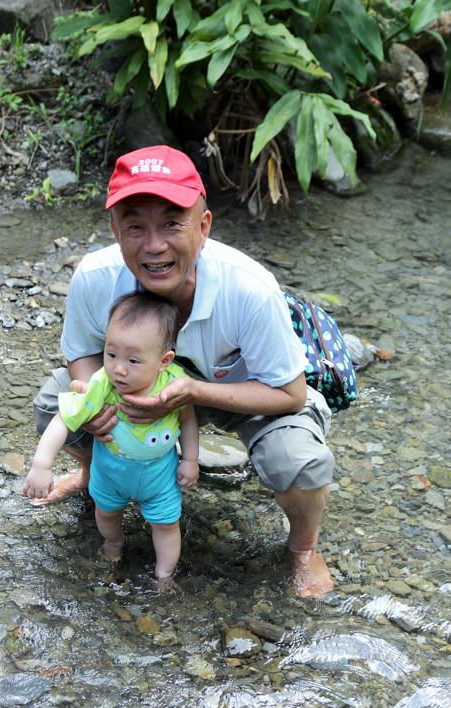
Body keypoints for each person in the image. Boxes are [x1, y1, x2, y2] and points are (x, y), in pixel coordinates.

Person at [33, 145, 336, 598]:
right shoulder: (95, 277)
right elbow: (80, 356)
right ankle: (97, 477)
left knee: (301, 461)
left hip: (243, 393)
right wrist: (91, 401)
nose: (154, 245)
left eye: (173, 223)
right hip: (138, 392)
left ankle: (303, 549)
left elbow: (291, 394)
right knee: (51, 400)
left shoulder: (249, 289)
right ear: (115, 230)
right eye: (136, 226)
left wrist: (192, 392)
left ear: (204, 226)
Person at [24, 292, 199, 586]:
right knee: (106, 513)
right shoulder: (102, 385)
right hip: (110, 472)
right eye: (111, 353)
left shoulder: (174, 385)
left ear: (164, 360)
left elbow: (188, 420)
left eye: (133, 360)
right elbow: (63, 419)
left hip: (160, 477)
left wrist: (191, 459)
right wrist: (41, 465)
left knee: (167, 525)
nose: (119, 368)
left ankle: (164, 575)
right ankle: (113, 545)